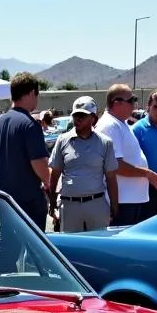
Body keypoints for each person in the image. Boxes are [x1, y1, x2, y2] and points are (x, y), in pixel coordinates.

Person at [0, 72, 51, 230]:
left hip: (7, 201)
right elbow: (39, 162)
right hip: (29, 202)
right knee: (35, 250)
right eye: (37, 94)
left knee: (7, 246)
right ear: (31, 92)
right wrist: (49, 182)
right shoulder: (30, 125)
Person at [48, 96, 118, 233]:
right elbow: (55, 174)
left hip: (96, 204)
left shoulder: (105, 143)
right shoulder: (62, 140)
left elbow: (111, 177)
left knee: (99, 247)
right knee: (71, 248)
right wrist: (51, 203)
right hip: (69, 205)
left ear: (93, 118)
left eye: (83, 115)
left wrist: (115, 205)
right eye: (75, 115)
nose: (78, 119)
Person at [96, 84, 157, 223]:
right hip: (122, 202)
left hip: (129, 200)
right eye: (131, 100)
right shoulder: (109, 125)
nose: (134, 104)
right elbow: (115, 165)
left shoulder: (120, 123)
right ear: (116, 102)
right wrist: (146, 173)